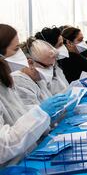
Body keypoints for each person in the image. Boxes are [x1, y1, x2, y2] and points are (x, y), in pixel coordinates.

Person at [0, 24, 68, 166]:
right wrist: (40, 114)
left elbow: (19, 118)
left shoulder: (6, 82)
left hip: (24, 158)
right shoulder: (18, 81)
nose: (21, 54)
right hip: (10, 171)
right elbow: (3, 146)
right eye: (16, 48)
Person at [11, 38, 54, 106]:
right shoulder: (19, 82)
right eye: (46, 66)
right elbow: (33, 113)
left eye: (52, 66)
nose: (50, 70)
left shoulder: (38, 78)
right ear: (30, 63)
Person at [35, 27, 70, 94]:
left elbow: (64, 87)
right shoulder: (40, 71)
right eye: (60, 44)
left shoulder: (55, 65)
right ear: (49, 48)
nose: (64, 47)